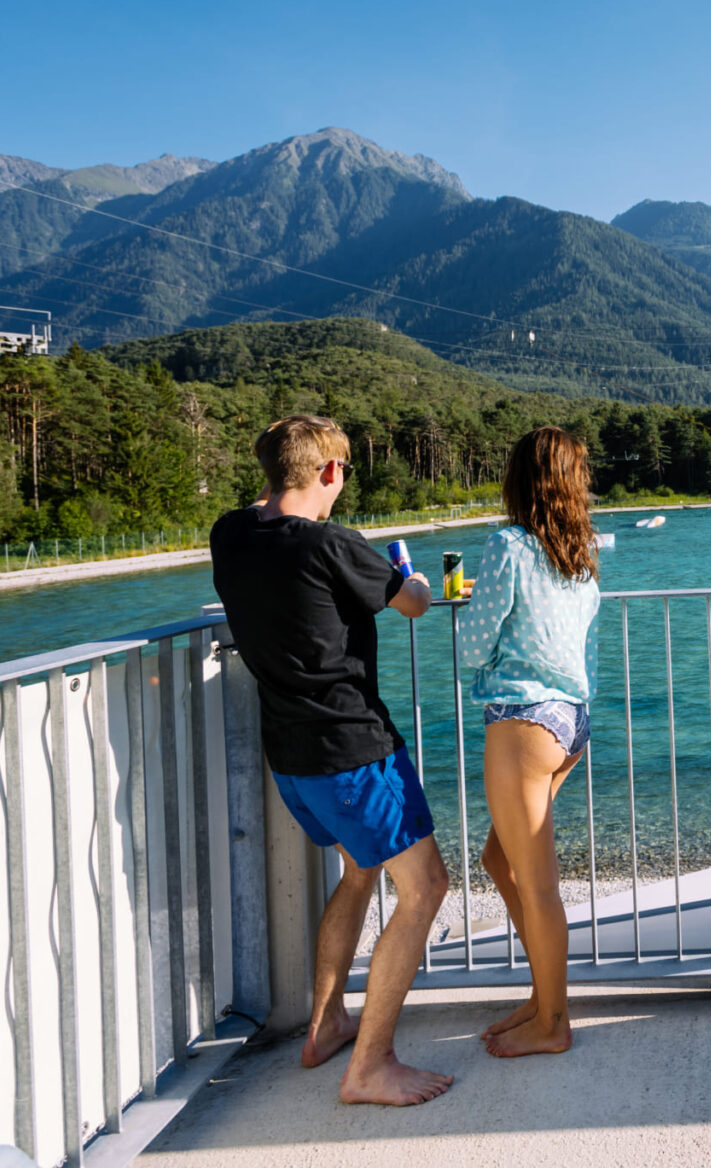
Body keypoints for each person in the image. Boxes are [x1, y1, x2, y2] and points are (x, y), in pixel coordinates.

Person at [209, 415, 453, 1107]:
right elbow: (413, 604)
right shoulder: (332, 544)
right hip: (352, 749)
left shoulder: (229, 533)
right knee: (427, 887)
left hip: (289, 757)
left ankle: (325, 1026)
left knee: (359, 870)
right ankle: (370, 1066)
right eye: (342, 470)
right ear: (328, 473)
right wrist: (404, 573)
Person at [460, 427, 601, 1058]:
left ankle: (554, 1025)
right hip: (570, 721)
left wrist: (463, 607)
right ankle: (545, 996)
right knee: (501, 863)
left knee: (538, 885)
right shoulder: (579, 556)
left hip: (522, 721)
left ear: (519, 479)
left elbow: (473, 647)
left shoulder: (508, 547)